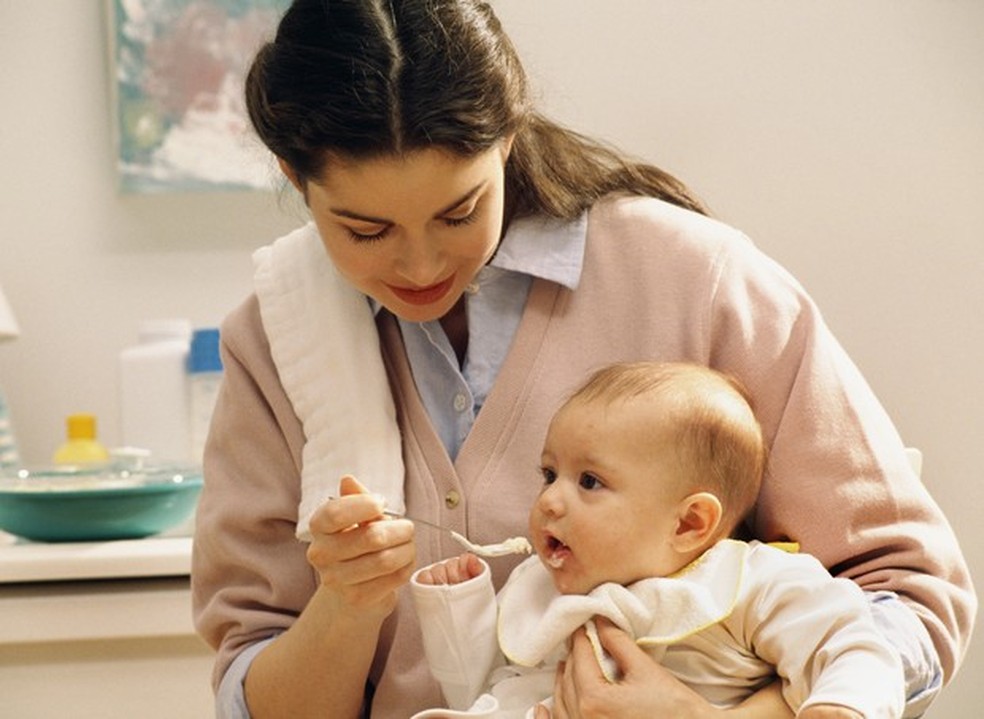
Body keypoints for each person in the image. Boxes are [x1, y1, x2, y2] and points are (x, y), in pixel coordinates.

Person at [190, 1, 975, 718]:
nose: (421, 264)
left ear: (507, 134)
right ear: (295, 178)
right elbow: (256, 690)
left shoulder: (693, 279)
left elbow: (909, 597)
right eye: (366, 231)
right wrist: (346, 603)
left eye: (459, 210)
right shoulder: (275, 344)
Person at [410, 361, 905, 718]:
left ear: (689, 524)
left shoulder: (750, 583)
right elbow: (473, 688)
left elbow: (854, 643)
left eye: (589, 482)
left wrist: (843, 706)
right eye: (549, 473)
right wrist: (457, 606)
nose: (550, 502)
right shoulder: (543, 583)